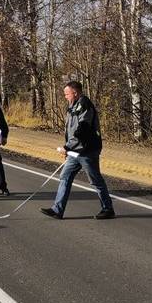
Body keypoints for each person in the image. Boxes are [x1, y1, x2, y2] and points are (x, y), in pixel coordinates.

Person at [41, 81, 115, 220]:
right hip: (75, 151)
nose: (65, 96)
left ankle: (108, 208)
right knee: (65, 176)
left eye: (67, 94)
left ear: (75, 92)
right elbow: (71, 130)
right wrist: (68, 148)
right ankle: (57, 209)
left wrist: (67, 147)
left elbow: (82, 131)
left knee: (95, 180)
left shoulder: (84, 105)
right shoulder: (72, 106)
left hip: (87, 151)